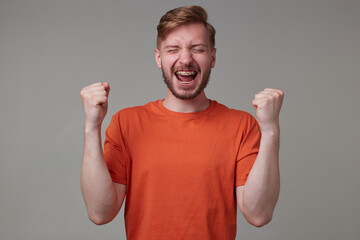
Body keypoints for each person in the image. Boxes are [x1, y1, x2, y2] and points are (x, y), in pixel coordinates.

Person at [80, 5, 284, 240]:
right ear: (159, 58)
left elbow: (259, 214)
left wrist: (270, 131)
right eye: (173, 49)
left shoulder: (241, 125)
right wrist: (91, 126)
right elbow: (100, 212)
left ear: (213, 58)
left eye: (197, 49)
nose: (185, 59)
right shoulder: (126, 123)